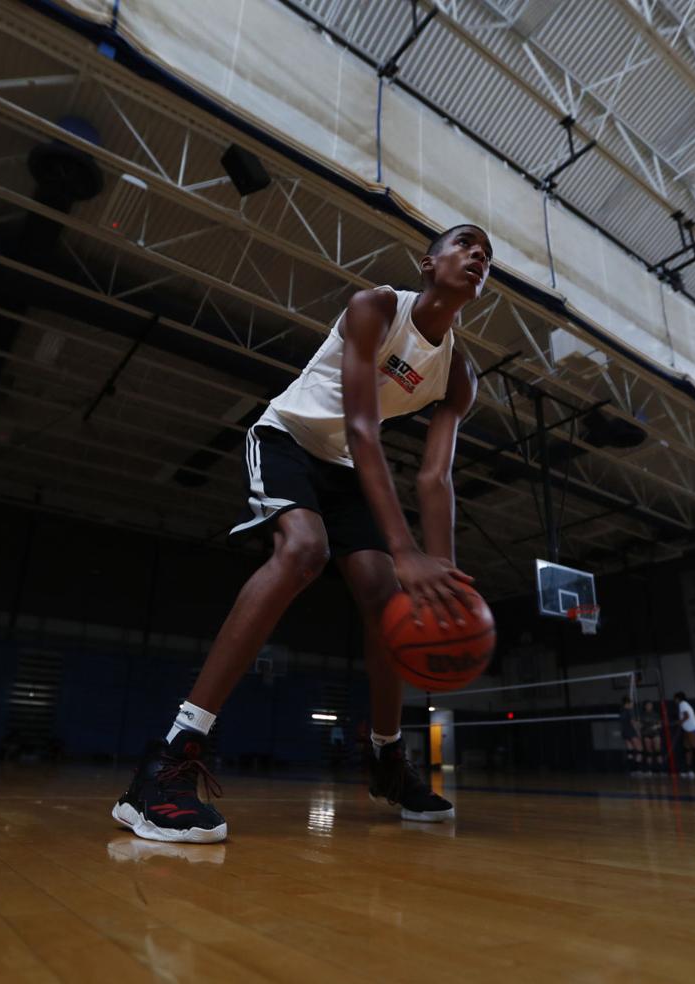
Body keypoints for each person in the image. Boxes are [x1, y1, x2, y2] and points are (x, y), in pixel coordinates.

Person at [113, 225, 493, 842]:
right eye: (466, 244)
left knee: (389, 599)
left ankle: (387, 759)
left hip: (344, 467)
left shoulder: (458, 374)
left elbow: (435, 477)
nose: (479, 256)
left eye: (488, 256)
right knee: (304, 550)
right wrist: (404, 548)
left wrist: (439, 576)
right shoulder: (375, 307)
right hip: (288, 438)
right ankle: (166, 763)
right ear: (428, 262)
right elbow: (365, 428)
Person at [619, 696, 645, 777]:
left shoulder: (621, 711)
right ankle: (638, 770)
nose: (633, 704)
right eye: (631, 703)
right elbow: (633, 723)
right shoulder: (629, 711)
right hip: (631, 732)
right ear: (627, 703)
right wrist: (639, 728)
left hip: (625, 733)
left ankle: (631, 770)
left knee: (630, 751)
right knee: (640, 749)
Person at [640, 700, 664, 775]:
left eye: (650, 705)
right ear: (645, 706)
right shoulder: (642, 715)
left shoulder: (656, 714)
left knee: (658, 751)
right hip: (646, 734)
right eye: (648, 705)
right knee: (649, 752)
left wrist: (657, 726)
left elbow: (660, 724)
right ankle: (649, 770)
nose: (649, 706)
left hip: (655, 734)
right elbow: (640, 725)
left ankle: (661, 770)